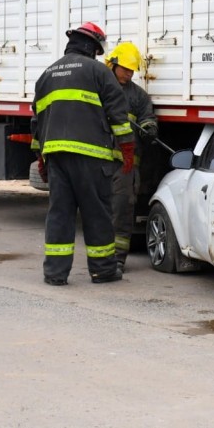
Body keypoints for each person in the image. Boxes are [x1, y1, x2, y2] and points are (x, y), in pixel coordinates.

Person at [33, 22, 133, 285]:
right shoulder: (98, 71)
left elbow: (38, 122)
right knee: (96, 213)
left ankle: (55, 273)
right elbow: (118, 114)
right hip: (92, 156)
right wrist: (127, 147)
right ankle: (103, 270)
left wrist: (40, 157)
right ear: (91, 47)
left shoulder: (47, 74)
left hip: (56, 155)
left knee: (59, 214)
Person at [105, 42, 157, 271]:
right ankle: (99, 257)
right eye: (125, 68)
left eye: (132, 70)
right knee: (98, 210)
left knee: (123, 209)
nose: (129, 73)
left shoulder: (138, 96)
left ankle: (117, 259)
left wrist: (149, 129)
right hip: (98, 162)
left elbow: (147, 117)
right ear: (113, 64)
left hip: (125, 166)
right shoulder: (99, 89)